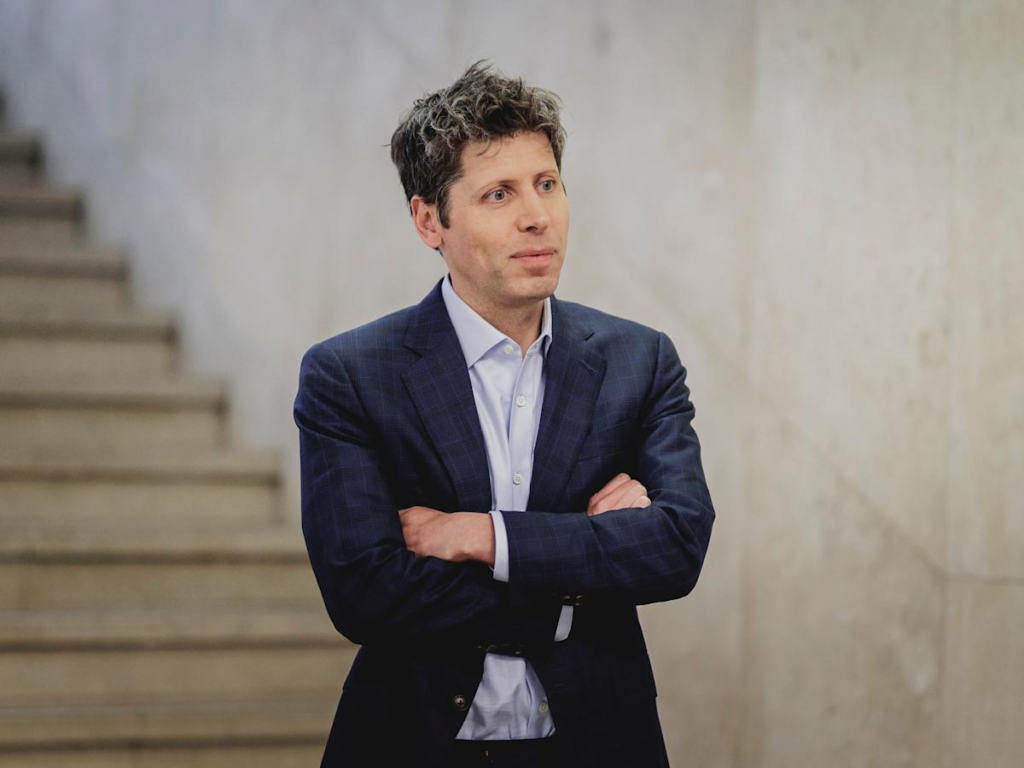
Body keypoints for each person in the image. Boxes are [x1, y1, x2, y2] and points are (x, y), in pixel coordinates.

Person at [294, 60, 715, 768]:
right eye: (499, 193)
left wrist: (483, 537)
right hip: (412, 744)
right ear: (430, 220)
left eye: (547, 183)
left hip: (601, 745)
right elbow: (366, 593)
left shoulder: (639, 361)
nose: (537, 216)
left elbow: (676, 547)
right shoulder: (352, 375)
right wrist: (578, 573)